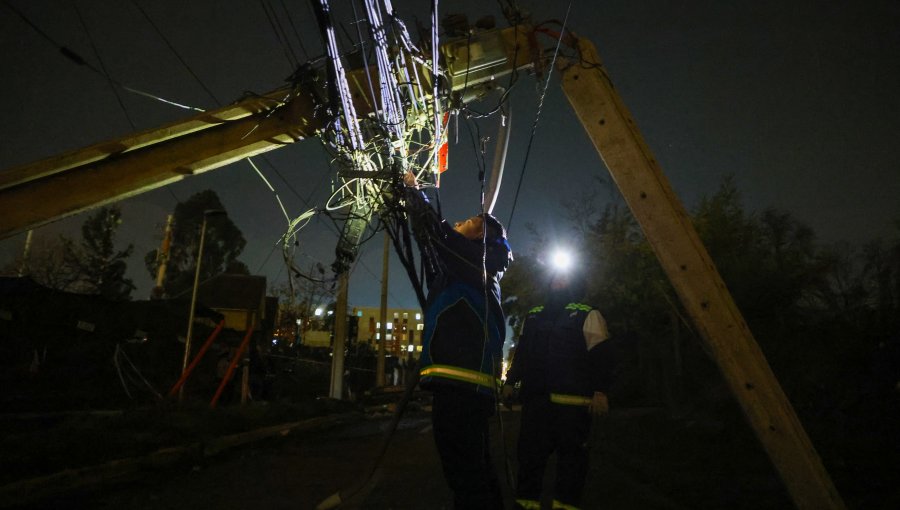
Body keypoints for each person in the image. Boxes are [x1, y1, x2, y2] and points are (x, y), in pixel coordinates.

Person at [404, 171, 513, 510]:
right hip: (466, 386)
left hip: (460, 386)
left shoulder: (473, 262)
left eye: (466, 222)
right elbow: (434, 244)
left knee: (465, 475)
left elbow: (438, 237)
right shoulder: (471, 268)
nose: (457, 224)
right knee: (475, 470)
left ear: (478, 238)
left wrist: (413, 191)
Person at [502, 260, 615, 510]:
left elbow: (602, 357)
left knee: (572, 463)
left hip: (573, 408)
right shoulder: (533, 315)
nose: (558, 282)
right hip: (536, 403)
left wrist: (600, 391)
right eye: (555, 278)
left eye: (564, 278)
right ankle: (526, 503)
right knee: (529, 458)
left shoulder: (588, 314)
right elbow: (522, 354)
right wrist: (510, 382)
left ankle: (564, 505)